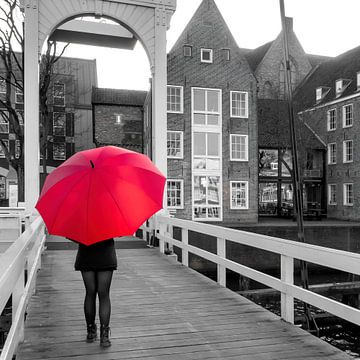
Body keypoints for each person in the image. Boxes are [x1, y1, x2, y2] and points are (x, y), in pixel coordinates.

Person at [74, 238, 117, 347]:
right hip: (106, 253)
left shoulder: (81, 220)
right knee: (104, 295)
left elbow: (73, 236)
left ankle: (90, 331)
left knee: (90, 293)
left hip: (86, 254)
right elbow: (120, 233)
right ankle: (104, 336)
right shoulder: (110, 219)